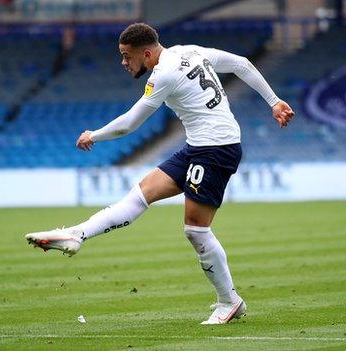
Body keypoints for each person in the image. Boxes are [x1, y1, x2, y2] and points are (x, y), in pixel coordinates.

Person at [25, 23, 294, 325]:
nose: (124, 63)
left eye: (127, 57)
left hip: (216, 148)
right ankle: (77, 234)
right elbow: (242, 64)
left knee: (196, 230)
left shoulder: (163, 75)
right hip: (199, 145)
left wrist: (93, 135)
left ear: (148, 53)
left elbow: (129, 124)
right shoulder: (188, 50)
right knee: (141, 194)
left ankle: (229, 301)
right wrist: (274, 101)